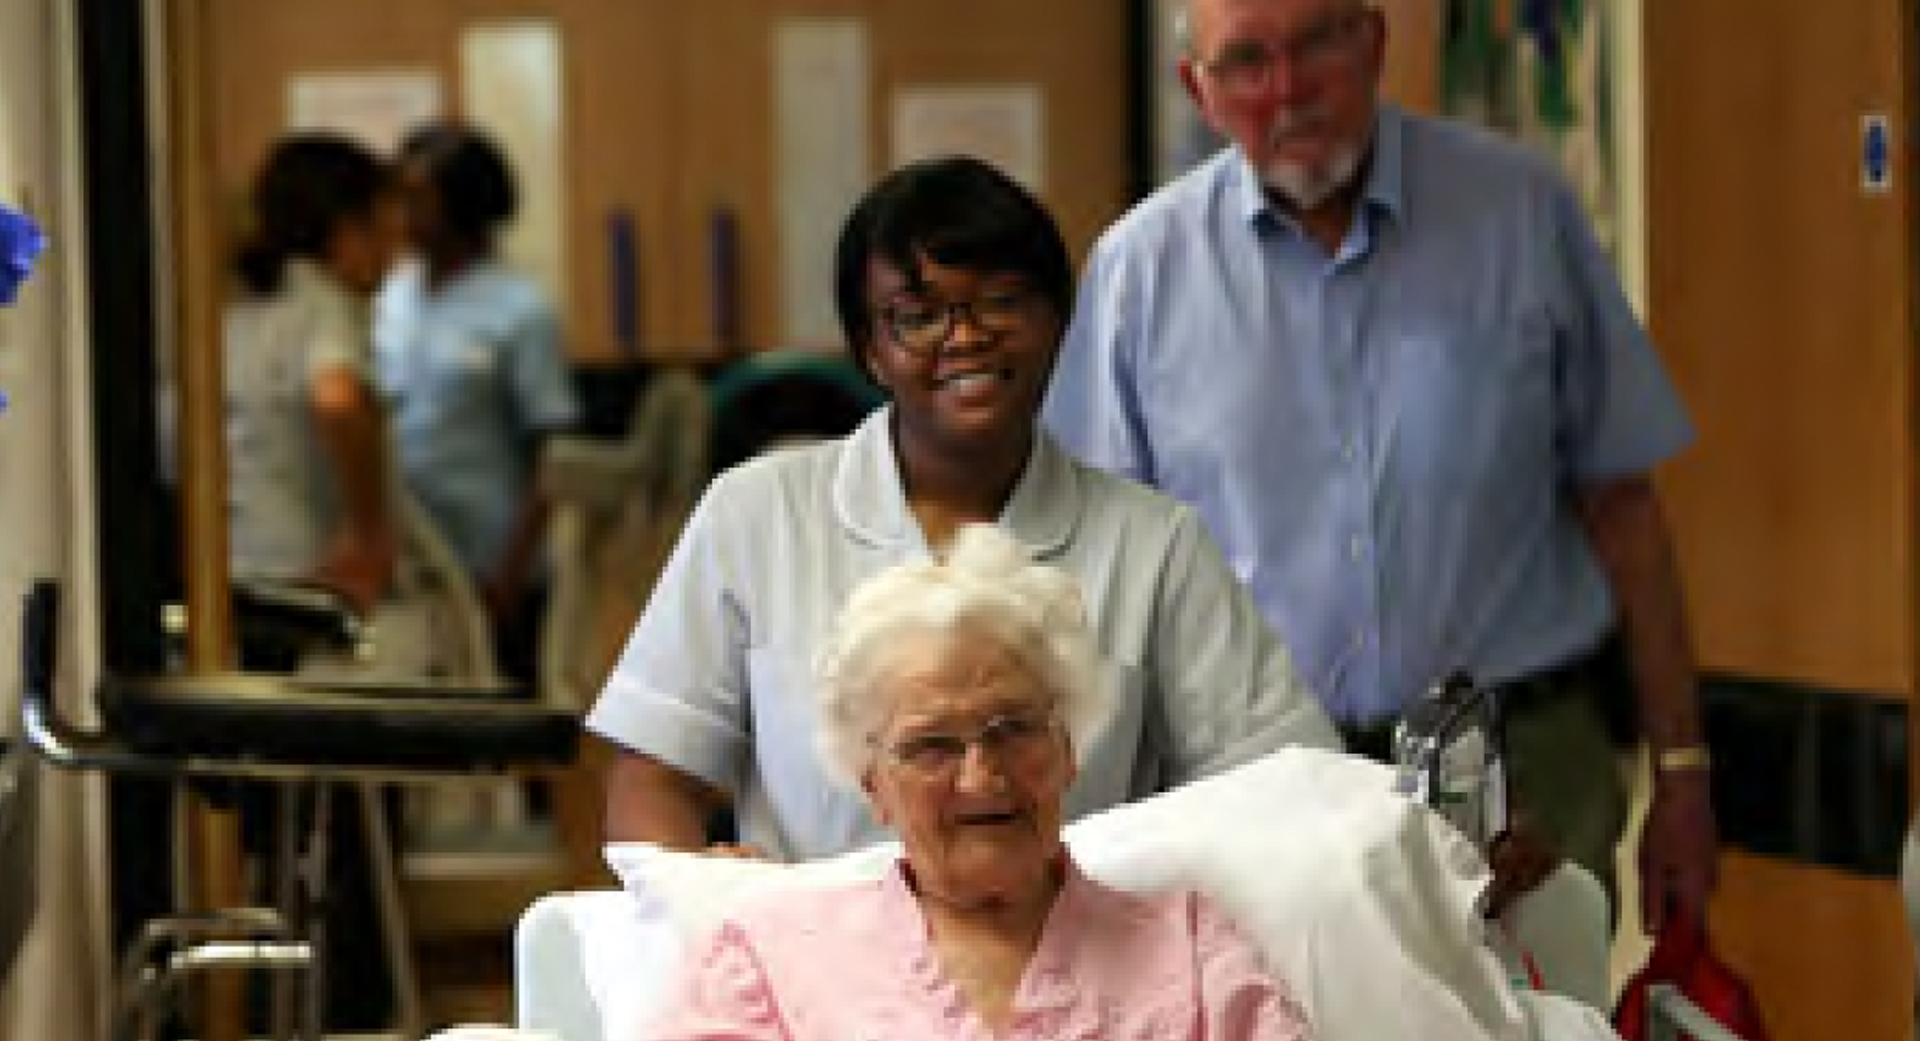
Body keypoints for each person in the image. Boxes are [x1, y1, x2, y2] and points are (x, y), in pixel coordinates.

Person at [1042, 0, 1715, 932]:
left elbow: (1624, 506)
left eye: (1318, 44)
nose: (1289, 89)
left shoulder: (1520, 215)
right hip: (1258, 796)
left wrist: (1683, 770)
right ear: (1199, 90)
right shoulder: (1139, 274)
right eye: (1247, 60)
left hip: (1526, 774)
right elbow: (1099, 581)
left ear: (1375, 44)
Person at [587, 154, 1336, 861]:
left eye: (1003, 301)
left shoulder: (1154, 544)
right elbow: (652, 779)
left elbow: (1283, 787)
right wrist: (716, 916)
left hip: (1083, 978)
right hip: (813, 980)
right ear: (870, 349)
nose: (967, 337)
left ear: (1058, 321)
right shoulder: (754, 515)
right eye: (917, 315)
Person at [641, 524, 1314, 1041]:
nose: (982, 775)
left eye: (1015, 728)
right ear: (873, 783)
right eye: (932, 745)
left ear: (1069, 746)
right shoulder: (768, 962)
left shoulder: (1191, 953)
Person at [375, 121, 580, 688]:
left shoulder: (520, 310)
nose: (402, 214)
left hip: (491, 565)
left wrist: (510, 574)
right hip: (410, 566)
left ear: (464, 205)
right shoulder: (388, 296)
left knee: (505, 732)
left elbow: (551, 457)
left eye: (419, 198)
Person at [226, 132, 403, 621]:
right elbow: (337, 399)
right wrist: (368, 532)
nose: (392, 259)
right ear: (347, 233)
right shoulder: (324, 303)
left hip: (239, 560)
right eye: (385, 235)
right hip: (306, 569)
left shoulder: (242, 306)